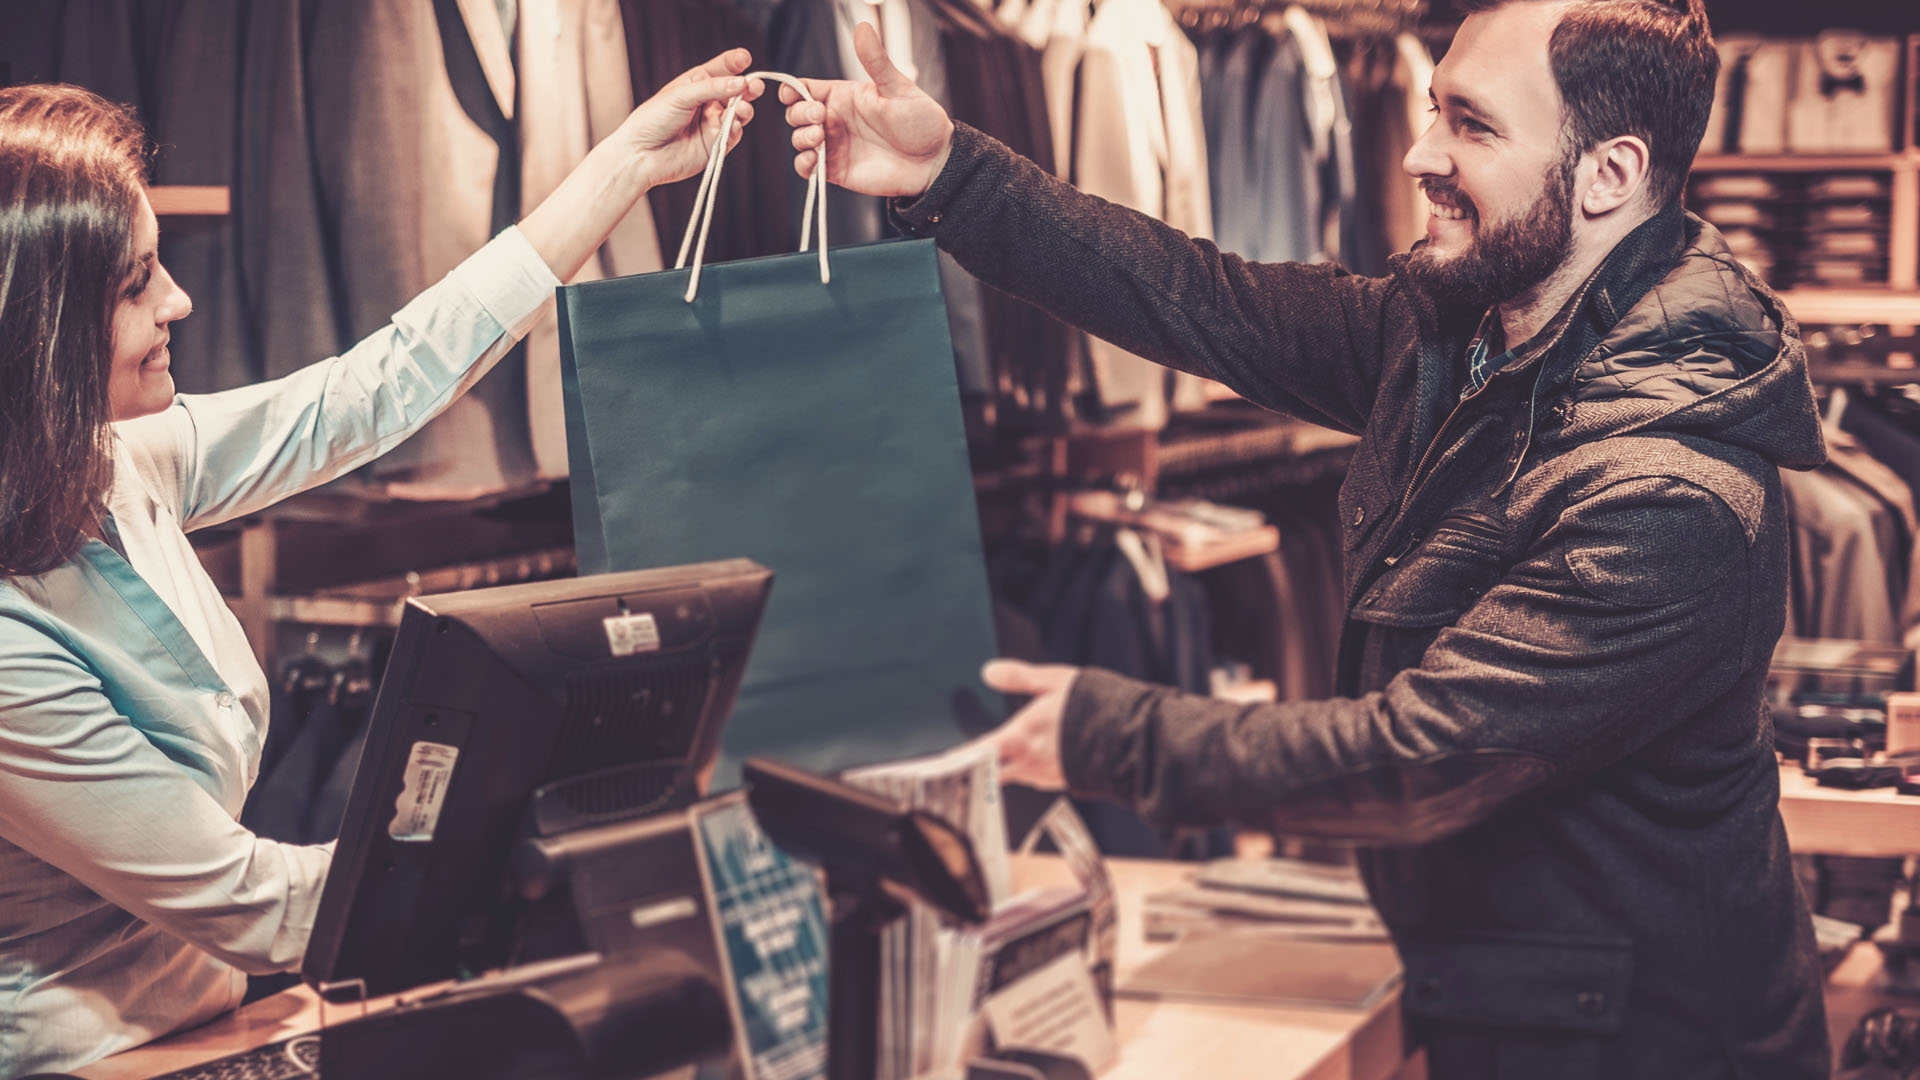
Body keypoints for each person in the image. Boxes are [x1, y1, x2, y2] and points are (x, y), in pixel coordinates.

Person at [783, 2, 1830, 1075]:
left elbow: (1417, 754)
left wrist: (1112, 732)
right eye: (1432, 112)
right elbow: (1204, 299)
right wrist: (951, 175)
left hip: (1651, 1046)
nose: (1421, 153)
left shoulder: (1668, 497)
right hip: (1520, 998)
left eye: (1471, 125)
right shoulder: (1467, 343)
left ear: (1608, 173)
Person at [0, 56, 763, 1077]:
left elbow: (371, 391)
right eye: (140, 283)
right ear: (40, 333)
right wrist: (534, 861)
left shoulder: (107, 468)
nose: (180, 300)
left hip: (217, 1028)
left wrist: (620, 168)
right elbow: (248, 904)